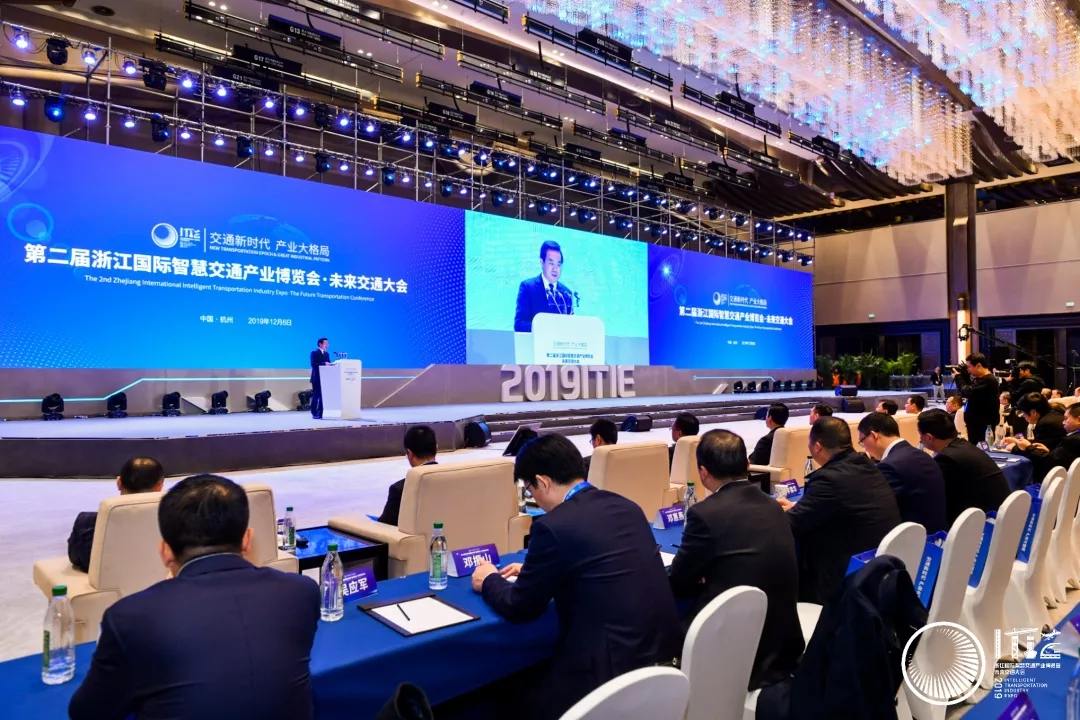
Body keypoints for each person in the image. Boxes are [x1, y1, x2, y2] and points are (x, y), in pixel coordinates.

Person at [70, 474, 320, 720]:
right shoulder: (301, 592)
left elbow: (87, 712)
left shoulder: (130, 617)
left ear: (165, 551)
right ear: (247, 539)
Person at [472, 434, 679, 720]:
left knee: (496, 697)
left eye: (530, 489)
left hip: (606, 679)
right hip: (663, 663)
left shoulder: (553, 526)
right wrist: (540, 569)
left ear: (543, 482)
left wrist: (488, 579)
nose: (533, 498)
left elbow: (520, 606)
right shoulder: (626, 507)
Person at [669, 430, 804, 688]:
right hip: (782, 640)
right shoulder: (773, 506)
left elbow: (679, 581)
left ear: (703, 472)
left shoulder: (704, 514)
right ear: (746, 465)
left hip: (740, 650)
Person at [778, 417, 901, 604]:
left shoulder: (828, 478)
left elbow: (791, 524)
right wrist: (799, 508)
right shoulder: (866, 464)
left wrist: (771, 511)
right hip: (877, 567)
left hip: (845, 578)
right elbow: (843, 505)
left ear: (817, 447)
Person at [68, 457, 165, 573]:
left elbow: (76, 557)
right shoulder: (172, 522)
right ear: (160, 486)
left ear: (119, 483)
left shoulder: (86, 523)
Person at [857, 413, 946, 534]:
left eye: (862, 441)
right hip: (937, 533)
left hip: (913, 539)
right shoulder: (923, 455)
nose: (865, 448)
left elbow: (877, 511)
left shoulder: (889, 466)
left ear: (874, 435)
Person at [917, 409, 1010, 524]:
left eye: (920, 435)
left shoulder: (946, 459)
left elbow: (938, 499)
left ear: (928, 437)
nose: (920, 440)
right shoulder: (965, 446)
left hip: (985, 524)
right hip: (1002, 516)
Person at [376, 425, 438, 526]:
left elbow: (384, 528)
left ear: (409, 453)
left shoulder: (400, 489)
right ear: (436, 448)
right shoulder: (455, 481)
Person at [513, 240, 575, 332]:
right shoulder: (528, 287)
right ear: (542, 263)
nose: (555, 269)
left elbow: (571, 326)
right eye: (551, 263)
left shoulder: (566, 293)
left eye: (558, 264)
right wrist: (544, 328)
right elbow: (519, 324)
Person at [1002, 392, 1066, 479]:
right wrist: (1016, 441)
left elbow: (1038, 452)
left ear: (1033, 412)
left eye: (1023, 413)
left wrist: (1014, 447)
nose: (1023, 416)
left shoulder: (1045, 423)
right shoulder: (1054, 412)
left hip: (1053, 473)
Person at [953, 353, 1001, 446]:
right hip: (975, 424)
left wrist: (958, 377)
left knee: (982, 449)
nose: (968, 369)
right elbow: (970, 390)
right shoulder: (981, 379)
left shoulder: (989, 380)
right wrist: (965, 376)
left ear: (978, 365)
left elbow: (967, 391)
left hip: (982, 425)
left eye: (969, 367)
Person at [1043, 404, 1080, 471]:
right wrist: (1048, 452)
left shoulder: (1072, 440)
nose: (1063, 422)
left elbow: (1050, 462)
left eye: (1066, 418)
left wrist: (1029, 448)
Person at [309, 337, 331, 419]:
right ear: (320, 344)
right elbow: (313, 364)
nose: (327, 345)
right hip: (316, 378)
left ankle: (320, 413)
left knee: (323, 397)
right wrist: (324, 363)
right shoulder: (314, 353)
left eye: (328, 343)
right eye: (326, 343)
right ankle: (314, 413)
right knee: (316, 396)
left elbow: (328, 364)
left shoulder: (327, 354)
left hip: (325, 379)